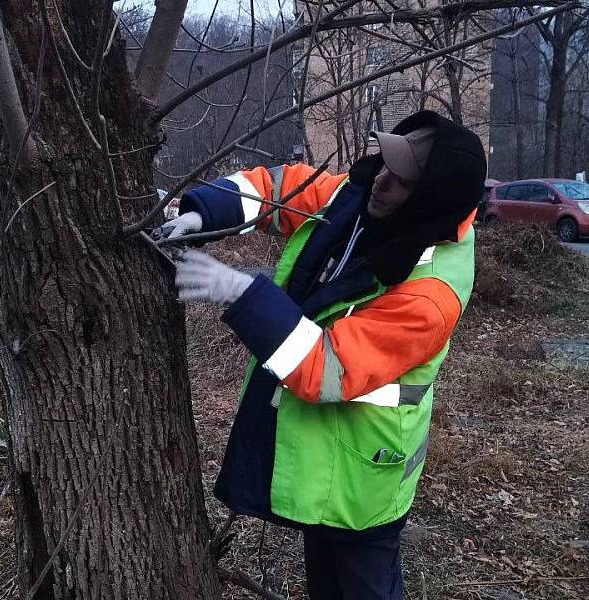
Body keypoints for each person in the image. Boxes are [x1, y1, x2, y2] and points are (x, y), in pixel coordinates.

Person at [160, 110, 487, 600]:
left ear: (426, 203)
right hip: (324, 462)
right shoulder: (356, 199)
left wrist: (240, 291)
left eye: (399, 182)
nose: (380, 182)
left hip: (363, 479)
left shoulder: (430, 295)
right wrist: (205, 210)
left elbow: (325, 368)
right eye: (384, 166)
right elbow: (279, 188)